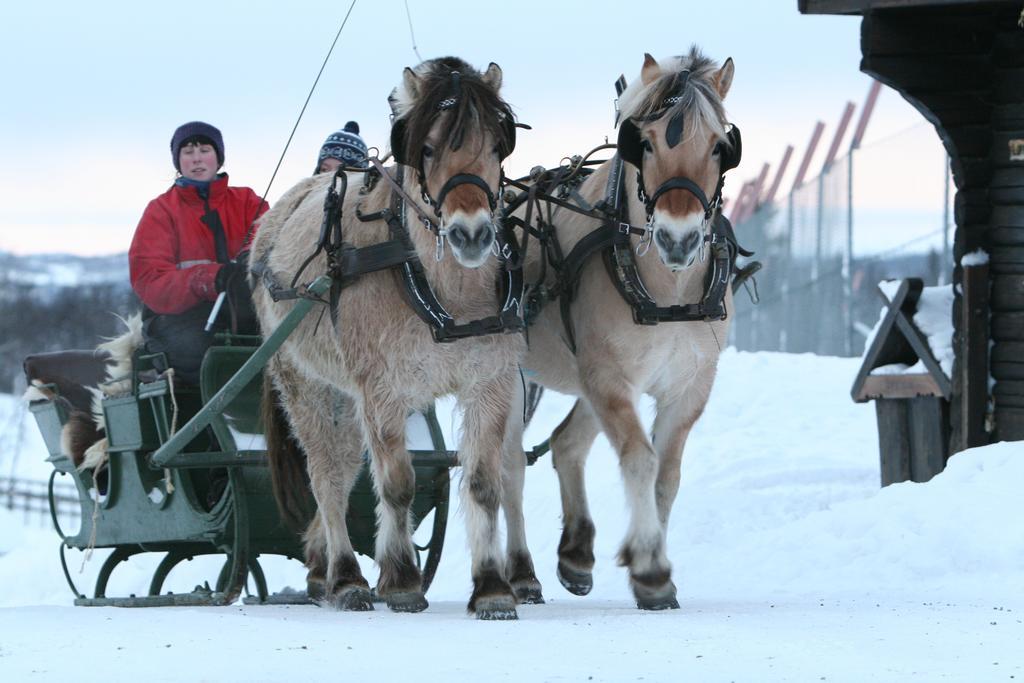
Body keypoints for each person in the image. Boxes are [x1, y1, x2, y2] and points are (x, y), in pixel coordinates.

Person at [128, 121, 268, 384]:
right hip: (177, 319)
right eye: (188, 152)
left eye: (204, 150)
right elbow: (149, 279)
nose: (196, 159)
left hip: (246, 312)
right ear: (178, 162)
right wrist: (208, 279)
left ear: (218, 158)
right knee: (200, 352)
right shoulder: (161, 211)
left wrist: (250, 262)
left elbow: (271, 239)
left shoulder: (248, 202)